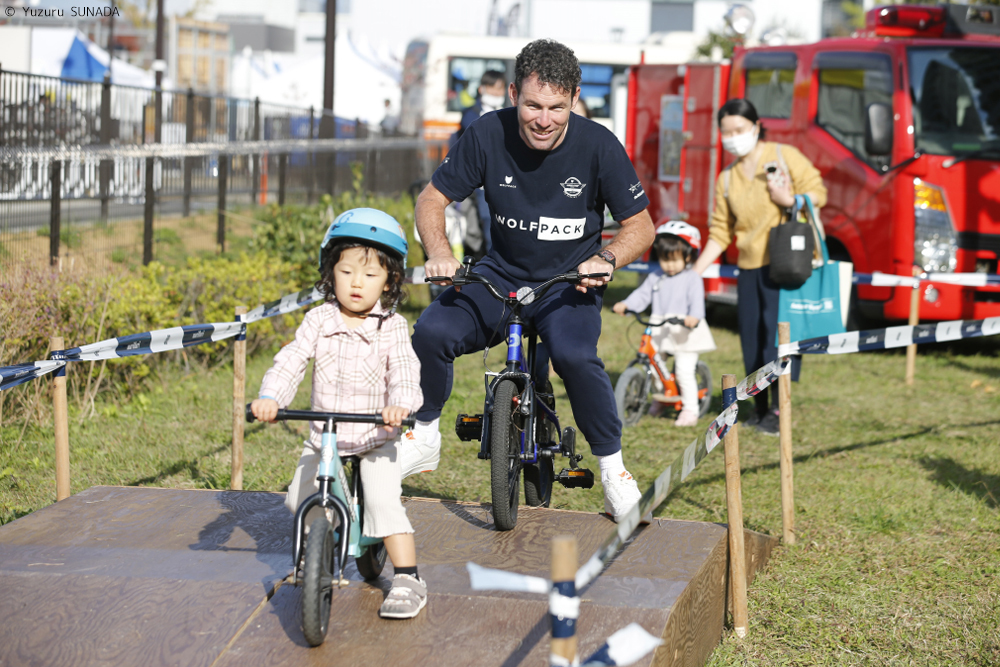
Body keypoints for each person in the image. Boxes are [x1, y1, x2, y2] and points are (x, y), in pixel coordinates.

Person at [403, 39, 656, 522]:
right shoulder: (486, 133)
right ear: (515, 93)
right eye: (534, 105)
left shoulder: (599, 145)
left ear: (575, 99)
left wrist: (606, 257)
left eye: (557, 108)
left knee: (577, 357)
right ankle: (425, 435)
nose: (543, 120)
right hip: (501, 273)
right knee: (432, 331)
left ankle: (612, 471)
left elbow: (641, 226)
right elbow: (431, 199)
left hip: (570, 281)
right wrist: (439, 253)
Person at [250, 208, 428, 620]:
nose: (356, 284)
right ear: (330, 272)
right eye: (346, 272)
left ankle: (408, 577)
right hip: (325, 437)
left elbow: (404, 369)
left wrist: (399, 405)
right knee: (301, 497)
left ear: (390, 280)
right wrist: (271, 397)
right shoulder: (319, 319)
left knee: (383, 501)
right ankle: (318, 553)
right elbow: (291, 360)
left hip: (373, 437)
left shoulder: (392, 326)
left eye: (370, 276)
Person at [692, 98, 827, 435]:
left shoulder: (783, 156)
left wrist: (791, 200)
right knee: (752, 342)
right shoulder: (726, 178)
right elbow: (721, 232)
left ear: (755, 127)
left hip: (785, 265)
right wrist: (692, 273)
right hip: (749, 268)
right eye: (727, 132)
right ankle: (761, 407)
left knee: (779, 341)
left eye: (740, 129)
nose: (734, 137)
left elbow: (818, 191)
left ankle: (780, 411)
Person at [612, 220, 716, 427]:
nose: (668, 265)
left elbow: (697, 303)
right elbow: (642, 295)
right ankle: (661, 398)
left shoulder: (692, 278)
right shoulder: (655, 277)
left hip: (685, 329)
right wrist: (626, 304)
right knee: (655, 363)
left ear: (688, 256)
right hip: (661, 327)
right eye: (664, 259)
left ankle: (690, 409)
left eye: (674, 260)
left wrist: (693, 316)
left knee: (685, 369)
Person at [452, 69, 509, 255]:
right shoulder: (471, 114)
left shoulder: (510, 112)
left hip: (506, 177)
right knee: (485, 223)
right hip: (480, 182)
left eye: (499, 89)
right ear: (481, 88)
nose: (495, 93)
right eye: (491, 88)